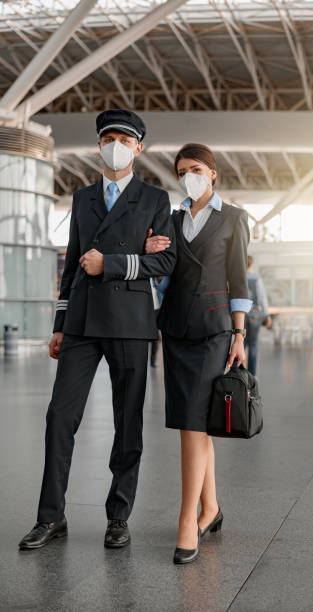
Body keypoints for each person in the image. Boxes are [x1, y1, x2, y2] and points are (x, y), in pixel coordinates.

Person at [19, 109, 176, 551]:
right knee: (59, 417)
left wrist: (112, 263)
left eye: (125, 140)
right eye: (109, 138)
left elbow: (164, 262)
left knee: (128, 423)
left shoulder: (155, 199)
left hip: (130, 323)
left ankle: (118, 516)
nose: (116, 146)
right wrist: (59, 324)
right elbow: (71, 264)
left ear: (139, 148)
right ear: (99, 145)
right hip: (82, 323)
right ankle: (51, 517)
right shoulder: (83, 197)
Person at [146, 143, 251, 564]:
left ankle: (187, 519)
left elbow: (239, 279)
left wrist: (239, 335)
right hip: (175, 330)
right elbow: (166, 272)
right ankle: (211, 508)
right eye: (182, 171)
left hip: (214, 331)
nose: (188, 176)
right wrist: (151, 253)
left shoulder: (234, 218)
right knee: (197, 423)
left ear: (212, 173)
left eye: (196, 169)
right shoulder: (171, 219)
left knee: (192, 425)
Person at [245, 255, 272, 376]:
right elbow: (262, 299)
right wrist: (267, 315)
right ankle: (252, 375)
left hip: (240, 315)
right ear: (251, 265)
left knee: (240, 343)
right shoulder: (256, 278)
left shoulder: (237, 277)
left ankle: (235, 373)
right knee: (253, 344)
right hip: (255, 315)